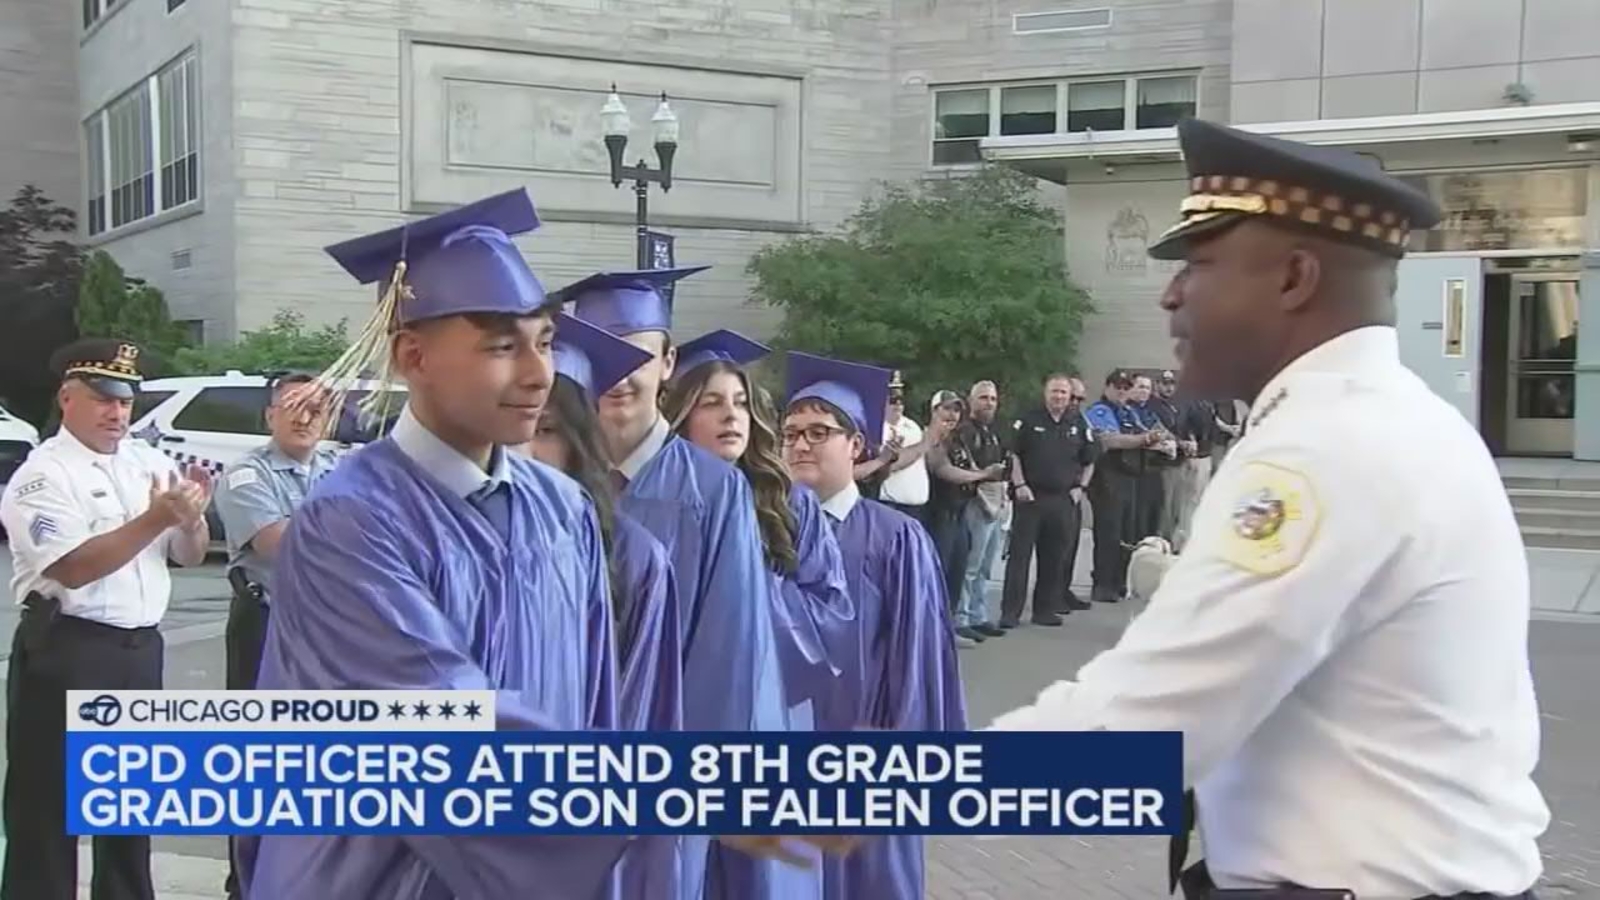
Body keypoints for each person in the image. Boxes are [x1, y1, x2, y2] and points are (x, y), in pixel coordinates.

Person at [991, 118, 1548, 899]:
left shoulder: (1324, 448)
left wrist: (859, 795)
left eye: (1201, 263)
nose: (1171, 293)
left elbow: (1144, 736)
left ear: (1294, 279)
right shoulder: (1381, 418)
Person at [242, 189, 630, 899]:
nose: (539, 373)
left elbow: (594, 702)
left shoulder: (564, 507)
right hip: (383, 874)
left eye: (544, 342)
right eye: (501, 346)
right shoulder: (349, 522)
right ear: (411, 356)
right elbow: (438, 714)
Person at [561, 268, 801, 899]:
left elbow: (727, 654)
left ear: (668, 362)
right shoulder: (555, 485)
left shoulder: (713, 490)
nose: (619, 372)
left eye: (637, 352)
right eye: (598, 353)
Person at [0, 338, 213, 900]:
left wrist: (190, 522)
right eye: (103, 400)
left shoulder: (147, 462)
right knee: (48, 807)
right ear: (66, 399)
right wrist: (153, 519)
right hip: (69, 649)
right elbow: (72, 568)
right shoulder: (42, 477)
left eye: (125, 401)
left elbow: (188, 555)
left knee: (129, 807)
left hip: (139, 650)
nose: (118, 413)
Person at [780, 351, 967, 900]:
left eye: (819, 431)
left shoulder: (897, 540)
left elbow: (920, 662)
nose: (801, 444)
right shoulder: (763, 533)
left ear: (856, 445)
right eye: (791, 433)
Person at [515, 311, 683, 900]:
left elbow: (637, 716)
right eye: (522, 425)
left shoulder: (636, 560)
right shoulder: (465, 541)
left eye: (549, 430)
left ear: (580, 441)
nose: (528, 450)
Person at [661, 328, 853, 739]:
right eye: (711, 403)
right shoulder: (659, 502)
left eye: (742, 403)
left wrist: (749, 592)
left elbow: (832, 611)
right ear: (682, 416)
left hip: (772, 697)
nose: (731, 415)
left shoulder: (789, 502)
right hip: (681, 698)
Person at [212, 372, 339, 900]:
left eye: (316, 407)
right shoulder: (246, 474)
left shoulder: (340, 467)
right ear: (270, 416)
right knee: (258, 757)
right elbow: (280, 544)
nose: (305, 416)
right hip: (267, 624)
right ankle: (247, 882)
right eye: (293, 406)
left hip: (331, 631)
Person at [999, 373, 1099, 628]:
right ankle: (1010, 613)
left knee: (1055, 558)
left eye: (1063, 393)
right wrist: (1019, 484)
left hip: (1063, 500)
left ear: (1069, 397)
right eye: (1054, 391)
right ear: (1045, 393)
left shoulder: (1078, 423)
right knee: (1019, 558)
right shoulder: (1029, 419)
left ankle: (1044, 610)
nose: (1059, 397)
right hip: (1030, 498)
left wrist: (1080, 487)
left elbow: (1090, 459)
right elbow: (1014, 454)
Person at [1082, 370, 1160, 604]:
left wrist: (1159, 440)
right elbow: (1109, 439)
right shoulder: (1100, 411)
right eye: (1117, 387)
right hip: (1108, 477)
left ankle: (1118, 582)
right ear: (1107, 387)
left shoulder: (1129, 412)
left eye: (1126, 387)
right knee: (1109, 533)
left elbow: (1148, 432)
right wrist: (1144, 440)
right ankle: (1102, 584)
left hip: (1130, 477)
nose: (1122, 391)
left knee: (1127, 533)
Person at [951, 380, 1012, 640]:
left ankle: (979, 614)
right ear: (971, 400)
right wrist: (984, 493)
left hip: (996, 498)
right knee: (971, 565)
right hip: (975, 500)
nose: (989, 403)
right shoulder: (965, 431)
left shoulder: (992, 432)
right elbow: (967, 469)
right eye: (983, 398)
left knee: (987, 565)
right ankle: (961, 617)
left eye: (993, 399)